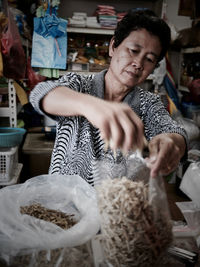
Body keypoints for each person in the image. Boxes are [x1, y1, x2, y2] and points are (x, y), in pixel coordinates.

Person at [30, 9, 188, 185]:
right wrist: (91, 106)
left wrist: (171, 142)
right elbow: (41, 94)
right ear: (113, 46)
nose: (138, 63)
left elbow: (175, 133)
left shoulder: (148, 103)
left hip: (116, 209)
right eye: (133, 50)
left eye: (149, 59)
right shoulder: (79, 84)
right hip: (64, 207)